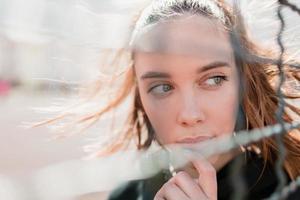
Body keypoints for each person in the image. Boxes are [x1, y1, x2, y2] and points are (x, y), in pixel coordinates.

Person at [40, 0, 300, 199]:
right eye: (163, 87)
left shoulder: (290, 185)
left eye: (213, 80)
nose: (189, 114)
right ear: (141, 99)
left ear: (244, 83)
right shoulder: (128, 195)